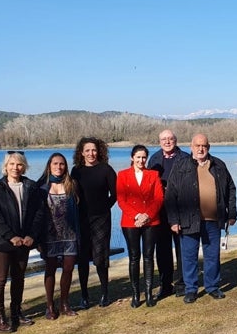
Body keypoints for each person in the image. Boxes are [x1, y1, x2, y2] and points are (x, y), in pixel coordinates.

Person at [165, 134, 237, 303]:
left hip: (213, 220)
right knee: (189, 256)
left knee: (212, 255)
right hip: (188, 220)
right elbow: (170, 195)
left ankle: (212, 286)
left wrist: (231, 213)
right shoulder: (181, 165)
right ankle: (191, 289)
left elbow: (231, 189)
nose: (200, 149)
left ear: (208, 147)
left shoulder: (219, 165)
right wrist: (173, 220)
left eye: (203, 145)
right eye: (197, 146)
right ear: (191, 147)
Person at [0, 151, 43, 332]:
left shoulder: (31, 187)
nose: (15, 168)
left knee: (19, 277)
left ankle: (16, 312)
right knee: (0, 279)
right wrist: (11, 236)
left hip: (24, 241)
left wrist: (31, 235)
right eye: (12, 164)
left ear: (24, 166)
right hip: (1, 241)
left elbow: (38, 214)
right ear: (5, 166)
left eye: (19, 164)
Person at [71, 137, 117, 308]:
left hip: (101, 219)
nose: (91, 153)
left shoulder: (106, 170)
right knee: (82, 258)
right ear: (81, 153)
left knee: (100, 256)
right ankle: (84, 296)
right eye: (87, 150)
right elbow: (71, 194)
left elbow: (115, 194)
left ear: (99, 151)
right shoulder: (76, 171)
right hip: (81, 219)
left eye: (94, 150)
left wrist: (104, 208)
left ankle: (105, 293)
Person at [117, 145, 164, 308]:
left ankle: (149, 293)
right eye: (138, 157)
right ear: (132, 158)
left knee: (149, 256)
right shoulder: (122, 175)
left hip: (151, 221)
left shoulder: (153, 174)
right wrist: (137, 216)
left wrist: (147, 216)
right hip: (131, 221)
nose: (141, 160)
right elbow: (121, 200)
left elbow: (159, 198)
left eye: (144, 157)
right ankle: (136, 294)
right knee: (134, 257)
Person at [147, 129, 190, 298]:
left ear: (176, 140)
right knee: (162, 250)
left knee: (182, 249)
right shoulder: (154, 159)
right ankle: (165, 285)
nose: (167, 142)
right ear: (159, 142)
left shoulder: (186, 158)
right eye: (164, 139)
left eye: (170, 139)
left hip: (181, 210)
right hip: (161, 211)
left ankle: (182, 283)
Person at [37, 153, 80, 319]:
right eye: (55, 164)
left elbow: (78, 208)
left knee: (68, 268)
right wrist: (38, 239)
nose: (58, 167)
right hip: (49, 236)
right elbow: (37, 214)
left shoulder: (71, 184)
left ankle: (64, 303)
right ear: (49, 165)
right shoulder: (41, 186)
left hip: (69, 234)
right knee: (50, 269)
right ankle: (50, 306)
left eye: (62, 164)